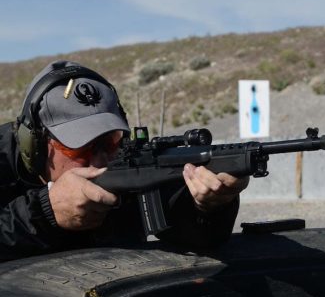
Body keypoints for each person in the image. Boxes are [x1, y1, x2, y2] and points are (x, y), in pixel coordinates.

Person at [0, 60, 248, 262]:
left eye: (110, 141)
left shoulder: (125, 163)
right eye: (79, 146)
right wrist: (44, 213)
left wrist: (210, 207)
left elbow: (196, 240)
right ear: (34, 145)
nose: (100, 161)